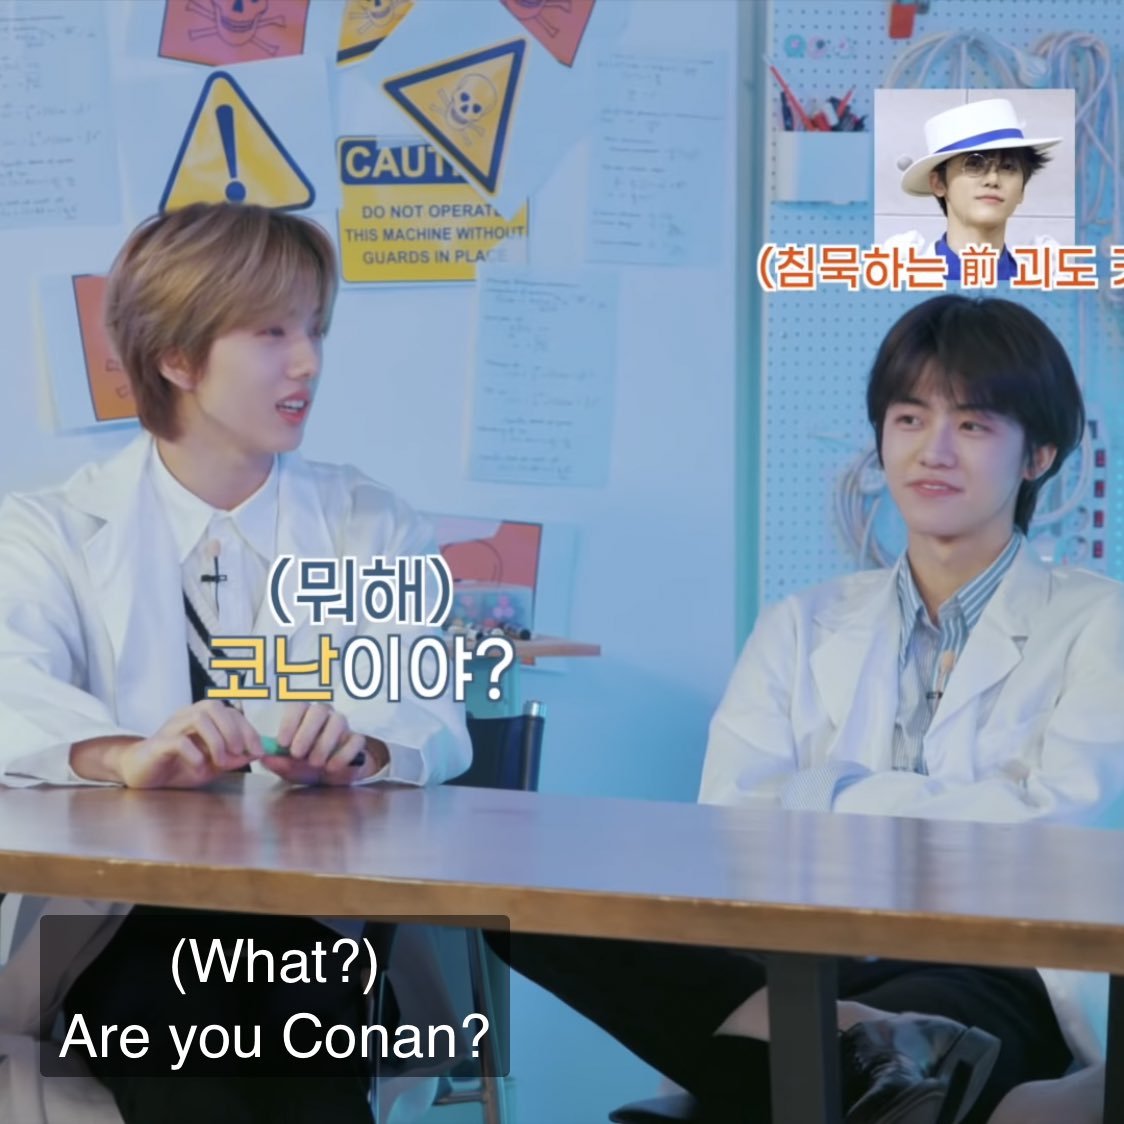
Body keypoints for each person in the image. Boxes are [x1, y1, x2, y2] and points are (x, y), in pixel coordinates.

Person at [497, 295, 1124, 1124]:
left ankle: (867, 1055)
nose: (932, 451)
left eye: (972, 425)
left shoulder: (1100, 624)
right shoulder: (801, 623)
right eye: (909, 419)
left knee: (777, 1084)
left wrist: (826, 793)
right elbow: (731, 832)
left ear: (1038, 454)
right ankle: (889, 1056)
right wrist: (949, 812)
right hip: (802, 959)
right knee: (524, 906)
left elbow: (1057, 835)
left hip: (994, 969)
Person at [0, 202, 472, 1124]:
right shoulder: (46, 530)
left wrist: (357, 748)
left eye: (314, 329)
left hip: (308, 921)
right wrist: (124, 755)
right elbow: (8, 686)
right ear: (177, 358)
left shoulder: (371, 524)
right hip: (113, 926)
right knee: (187, 1022)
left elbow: (429, 711)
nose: (309, 363)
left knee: (297, 1025)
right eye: (272, 333)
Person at [896, 98, 1059, 282]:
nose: (993, 180)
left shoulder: (1047, 280)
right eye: (973, 164)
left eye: (1008, 167)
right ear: (939, 183)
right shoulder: (899, 277)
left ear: (1022, 189)